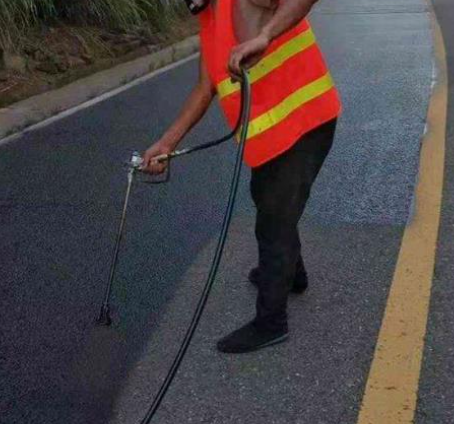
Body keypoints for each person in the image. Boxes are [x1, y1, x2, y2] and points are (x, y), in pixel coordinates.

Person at [142, 0, 342, 354]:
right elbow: (206, 87)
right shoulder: (210, 19)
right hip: (272, 137)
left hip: (304, 120)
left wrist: (265, 34)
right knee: (267, 198)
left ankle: (271, 322)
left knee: (274, 221)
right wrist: (167, 143)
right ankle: (292, 274)